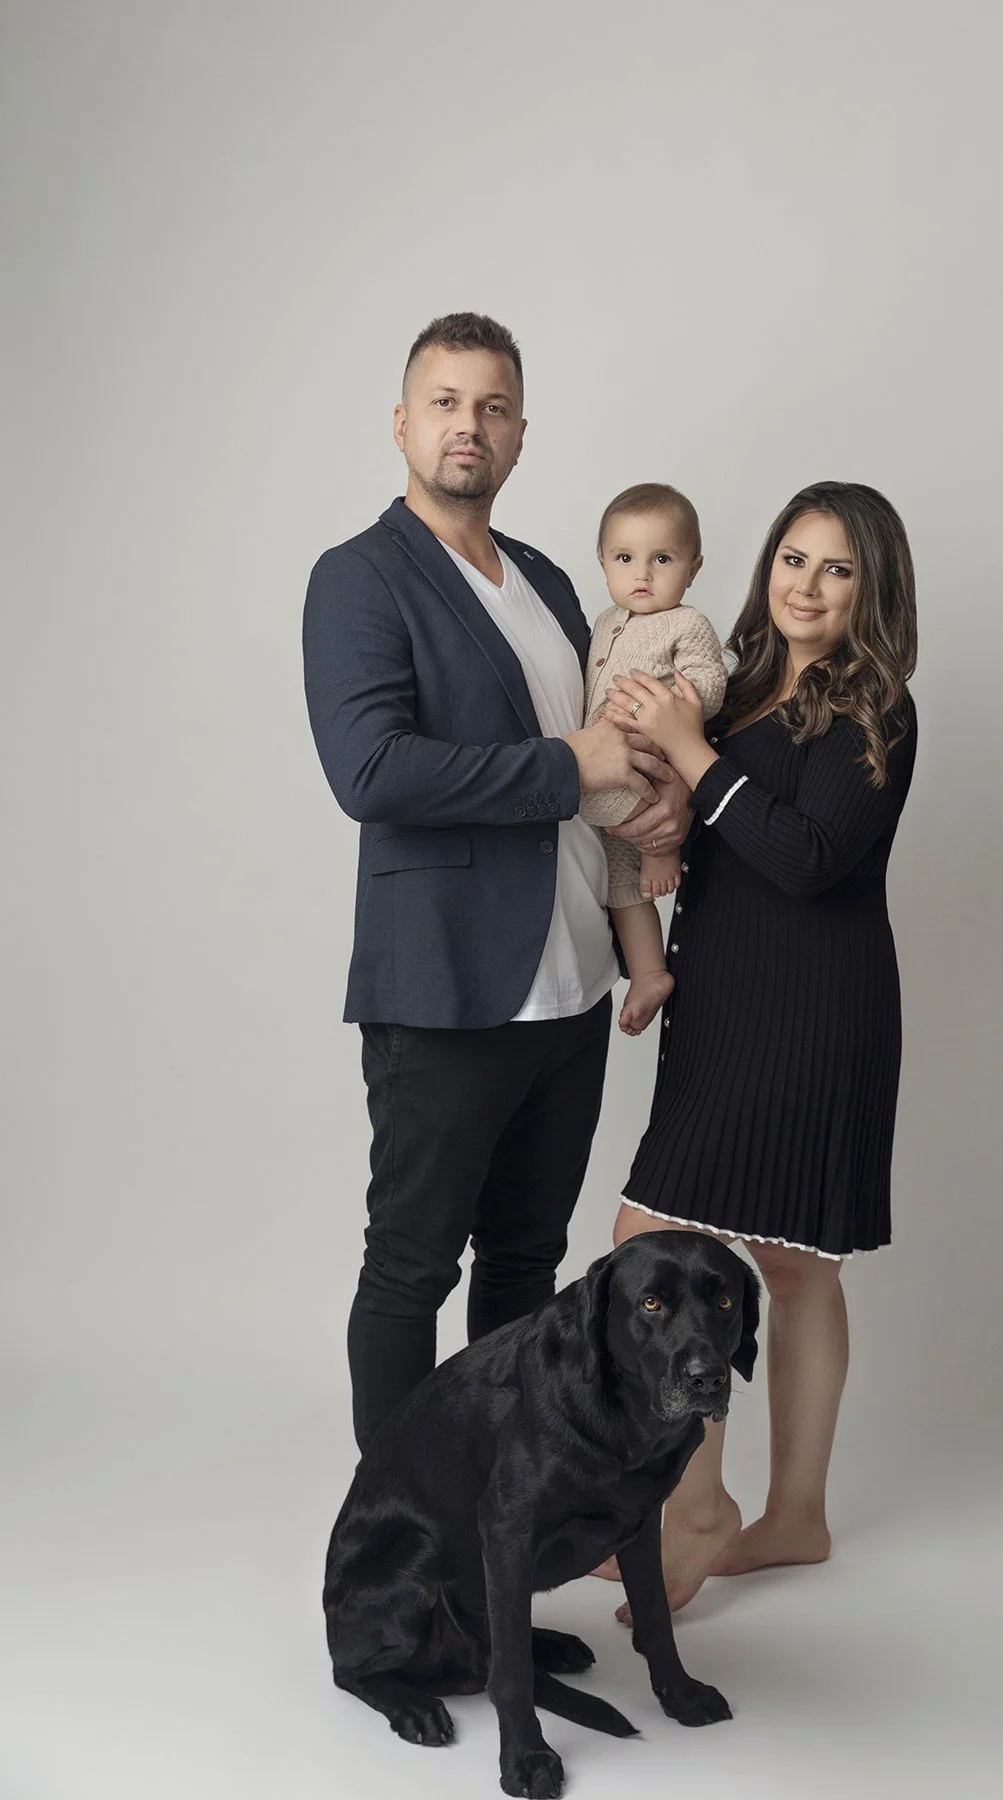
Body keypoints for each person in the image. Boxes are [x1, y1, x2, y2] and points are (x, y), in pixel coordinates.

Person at [302, 312, 690, 1452]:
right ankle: (403, 1565)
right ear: (402, 423)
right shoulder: (360, 578)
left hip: (571, 989)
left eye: (492, 406)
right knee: (412, 1270)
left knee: (526, 1270)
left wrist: (652, 800)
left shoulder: (553, 584)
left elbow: (603, 753)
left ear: (519, 434)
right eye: (445, 401)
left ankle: (494, 1562)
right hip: (448, 994)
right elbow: (371, 770)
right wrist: (570, 766)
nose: (468, 425)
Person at [596, 480, 918, 1618]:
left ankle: (720, 1512)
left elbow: (809, 856)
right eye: (793, 557)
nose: (807, 585)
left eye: (836, 569)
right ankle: (777, 1516)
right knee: (762, 1261)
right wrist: (663, 824)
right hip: (722, 1005)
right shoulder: (732, 679)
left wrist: (689, 751)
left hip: (815, 1011)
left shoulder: (877, 706)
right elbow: (704, 820)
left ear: (871, 590)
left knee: (717, 1249)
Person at [579, 484, 727, 1037]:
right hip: (600, 771)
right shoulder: (602, 622)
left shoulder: (686, 624)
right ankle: (648, 972)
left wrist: (669, 704)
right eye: (624, 558)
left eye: (661, 559)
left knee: (650, 831)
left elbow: (712, 683)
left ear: (692, 568)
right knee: (621, 884)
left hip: (651, 757)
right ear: (603, 562)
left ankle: (664, 852)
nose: (642, 573)